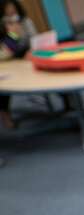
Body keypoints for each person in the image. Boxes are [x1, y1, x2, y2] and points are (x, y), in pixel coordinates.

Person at [0, 0, 36, 128]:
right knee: (4, 85)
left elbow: (34, 39)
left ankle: (68, 104)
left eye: (13, 8)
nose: (11, 11)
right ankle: (5, 114)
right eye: (7, 9)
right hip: (6, 63)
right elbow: (3, 54)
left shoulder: (25, 21)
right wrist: (13, 35)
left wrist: (33, 50)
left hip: (27, 56)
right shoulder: (2, 26)